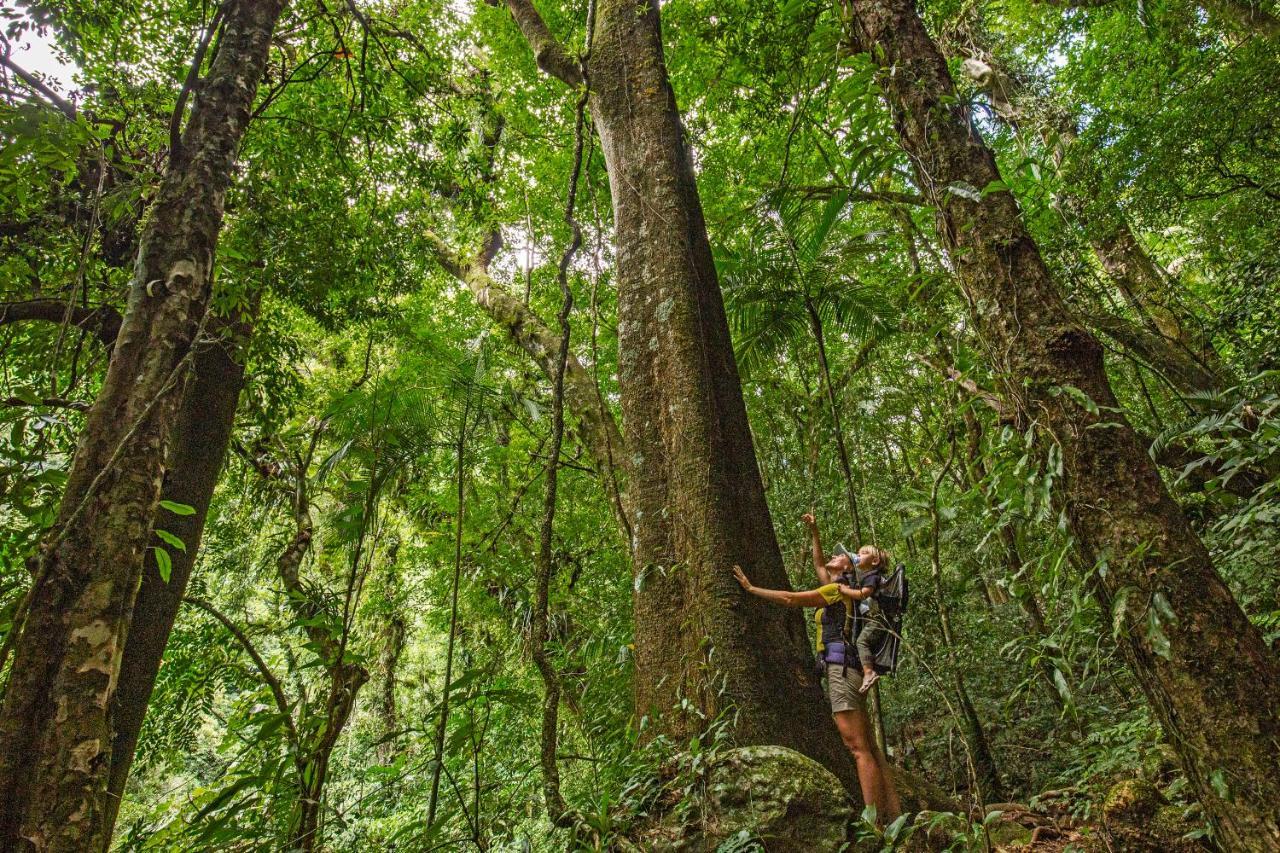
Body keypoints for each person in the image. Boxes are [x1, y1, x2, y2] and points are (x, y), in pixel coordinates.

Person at [730, 512, 902, 820]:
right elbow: (820, 565)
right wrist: (815, 533)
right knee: (870, 748)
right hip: (849, 669)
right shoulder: (840, 591)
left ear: (849, 568)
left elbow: (790, 599)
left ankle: (874, 823)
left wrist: (753, 589)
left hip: (840, 670)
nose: (837, 556)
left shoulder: (837, 592)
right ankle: (894, 815)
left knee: (857, 748)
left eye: (844, 556)